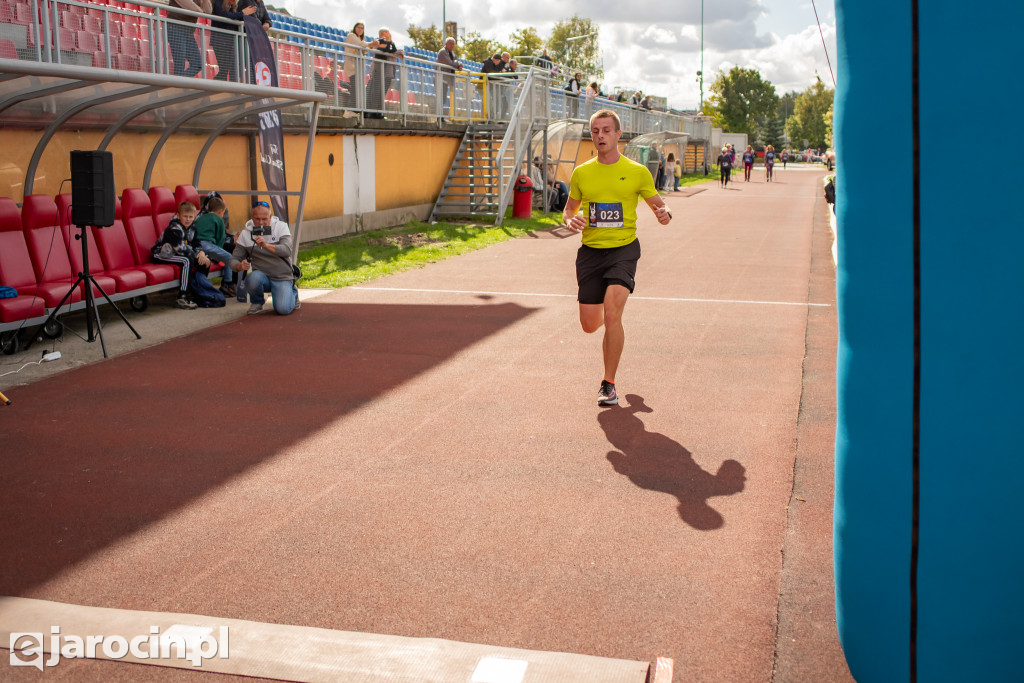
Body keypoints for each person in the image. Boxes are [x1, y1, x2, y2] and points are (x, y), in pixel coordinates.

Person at [562, 109, 672, 406]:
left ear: (617, 134)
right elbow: (569, 209)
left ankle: (608, 383)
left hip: (624, 249)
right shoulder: (582, 172)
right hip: (590, 253)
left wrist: (664, 215)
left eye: (606, 130)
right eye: (595, 131)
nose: (600, 135)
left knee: (612, 312)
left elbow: (661, 207)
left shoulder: (637, 171)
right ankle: (607, 319)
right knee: (589, 323)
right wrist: (570, 219)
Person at [229, 201, 299, 315]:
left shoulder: (281, 227)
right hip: (261, 276)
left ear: (270, 217)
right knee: (252, 278)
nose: (261, 222)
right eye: (257, 219)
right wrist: (239, 266)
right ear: (252, 218)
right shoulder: (245, 234)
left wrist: (266, 245)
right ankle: (257, 302)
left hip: (281, 276)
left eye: (264, 219)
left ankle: (293, 292)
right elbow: (233, 259)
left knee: (283, 309)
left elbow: (286, 250)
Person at [152, 201, 210, 310]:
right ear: (178, 216)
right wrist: (197, 255)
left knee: (205, 260)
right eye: (185, 216)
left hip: (177, 254)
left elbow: (196, 243)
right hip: (162, 254)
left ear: (194, 216)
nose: (188, 219)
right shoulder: (174, 228)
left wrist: (201, 253)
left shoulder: (192, 227)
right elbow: (181, 249)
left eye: (190, 217)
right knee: (187, 260)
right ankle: (182, 296)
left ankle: (199, 291)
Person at [192, 194, 235, 297]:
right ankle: (227, 283)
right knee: (229, 258)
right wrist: (219, 249)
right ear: (221, 211)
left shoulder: (200, 217)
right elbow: (221, 237)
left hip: (197, 245)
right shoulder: (219, 219)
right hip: (208, 244)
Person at [210, 0, 256, 81]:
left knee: (230, 69)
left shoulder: (234, 4)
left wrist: (244, 14)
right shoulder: (219, 1)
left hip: (230, 41)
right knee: (224, 70)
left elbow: (236, 17)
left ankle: (221, 88)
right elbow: (223, 15)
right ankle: (212, 88)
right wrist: (242, 13)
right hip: (219, 39)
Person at [166, 0, 211, 78]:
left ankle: (177, 82)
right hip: (175, 28)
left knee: (198, 64)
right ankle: (176, 83)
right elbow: (193, 9)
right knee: (180, 65)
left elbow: (208, 12)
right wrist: (202, 11)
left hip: (188, 31)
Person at [343, 22, 380, 113]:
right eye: (358, 27)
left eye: (362, 28)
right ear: (355, 28)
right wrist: (371, 43)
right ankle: (352, 109)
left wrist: (371, 45)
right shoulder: (351, 36)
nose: (360, 29)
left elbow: (364, 50)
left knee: (357, 88)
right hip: (352, 66)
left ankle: (355, 109)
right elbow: (359, 45)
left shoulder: (360, 39)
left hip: (358, 67)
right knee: (355, 87)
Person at [366, 27, 402, 119]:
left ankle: (379, 112)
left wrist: (390, 42)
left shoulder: (389, 43)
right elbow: (385, 51)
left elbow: (393, 50)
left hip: (386, 71)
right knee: (376, 91)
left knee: (382, 92)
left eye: (387, 32)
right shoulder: (378, 41)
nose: (386, 34)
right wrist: (393, 49)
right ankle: (373, 112)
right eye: (384, 32)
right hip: (378, 69)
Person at [435, 37, 463, 118]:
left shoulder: (452, 53)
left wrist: (460, 64)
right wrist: (458, 65)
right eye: (450, 43)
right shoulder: (443, 52)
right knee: (440, 97)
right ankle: (439, 116)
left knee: (443, 98)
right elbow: (449, 63)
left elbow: (456, 61)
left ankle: (440, 116)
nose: (452, 45)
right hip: (440, 78)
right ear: (446, 44)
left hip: (446, 79)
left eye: (453, 44)